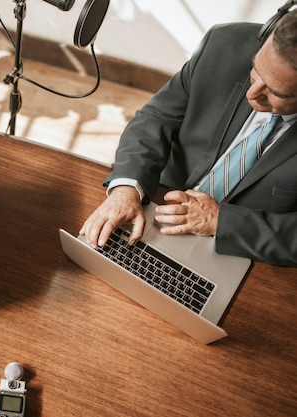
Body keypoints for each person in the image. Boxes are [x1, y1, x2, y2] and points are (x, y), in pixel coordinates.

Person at [80, 6, 297, 267]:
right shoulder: (223, 45)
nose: (252, 94)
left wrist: (220, 221)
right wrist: (126, 190)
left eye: (276, 92)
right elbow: (156, 117)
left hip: (245, 253)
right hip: (156, 202)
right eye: (255, 71)